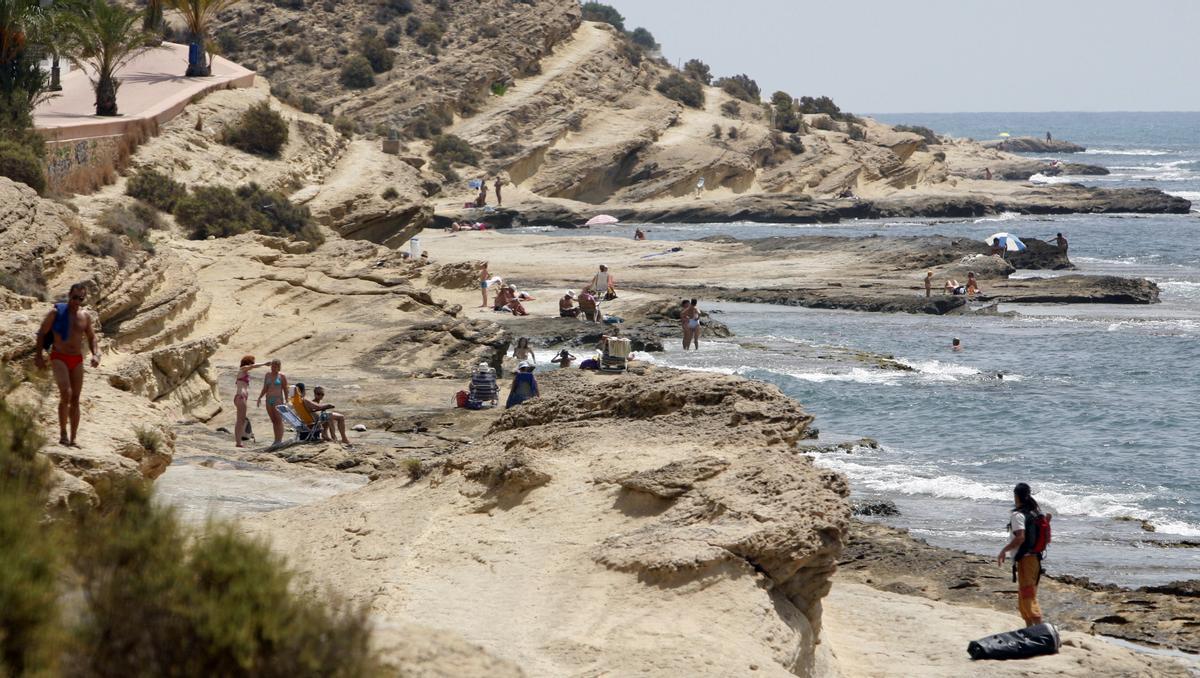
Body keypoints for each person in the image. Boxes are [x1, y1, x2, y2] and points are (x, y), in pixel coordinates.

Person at [34, 282, 100, 447]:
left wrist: (96, 354)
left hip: (76, 359)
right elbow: (42, 333)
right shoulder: (56, 313)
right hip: (59, 356)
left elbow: (92, 337)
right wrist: (39, 355)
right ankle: (63, 433)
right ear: (69, 295)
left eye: (81, 298)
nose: (77, 301)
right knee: (66, 393)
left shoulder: (85, 316)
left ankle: (73, 438)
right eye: (75, 297)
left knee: (76, 398)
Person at [997, 482, 1050, 627]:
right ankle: (1029, 629)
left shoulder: (1018, 515)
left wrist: (1004, 550)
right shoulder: (1034, 512)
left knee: (1027, 595)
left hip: (1026, 560)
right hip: (1035, 559)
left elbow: (1021, 537)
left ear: (1016, 496)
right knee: (1024, 596)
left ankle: (1040, 631)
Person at [233, 355, 270, 447]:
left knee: (241, 420)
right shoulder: (243, 369)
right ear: (248, 363)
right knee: (240, 421)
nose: (253, 364)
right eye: (252, 362)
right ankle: (238, 442)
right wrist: (264, 364)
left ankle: (239, 442)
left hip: (241, 397)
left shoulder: (244, 371)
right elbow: (252, 367)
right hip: (240, 397)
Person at [256, 359, 289, 446]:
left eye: (275, 366)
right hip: (268, 399)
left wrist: (287, 400)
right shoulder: (267, 375)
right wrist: (260, 397)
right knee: (273, 420)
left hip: (277, 399)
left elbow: (285, 389)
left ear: (278, 367)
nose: (273, 368)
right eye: (272, 366)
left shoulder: (282, 376)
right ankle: (276, 440)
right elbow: (265, 387)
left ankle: (279, 440)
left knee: (278, 419)